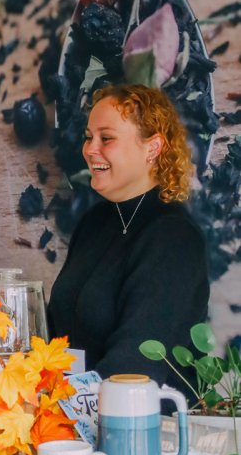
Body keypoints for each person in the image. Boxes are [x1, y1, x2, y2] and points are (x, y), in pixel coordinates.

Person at [47, 83, 209, 387]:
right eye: (88, 137)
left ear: (153, 148)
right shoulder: (94, 222)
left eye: (106, 138)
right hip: (73, 409)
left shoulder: (174, 238)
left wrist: (62, 403)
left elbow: (135, 366)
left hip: (140, 415)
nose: (89, 149)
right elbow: (57, 337)